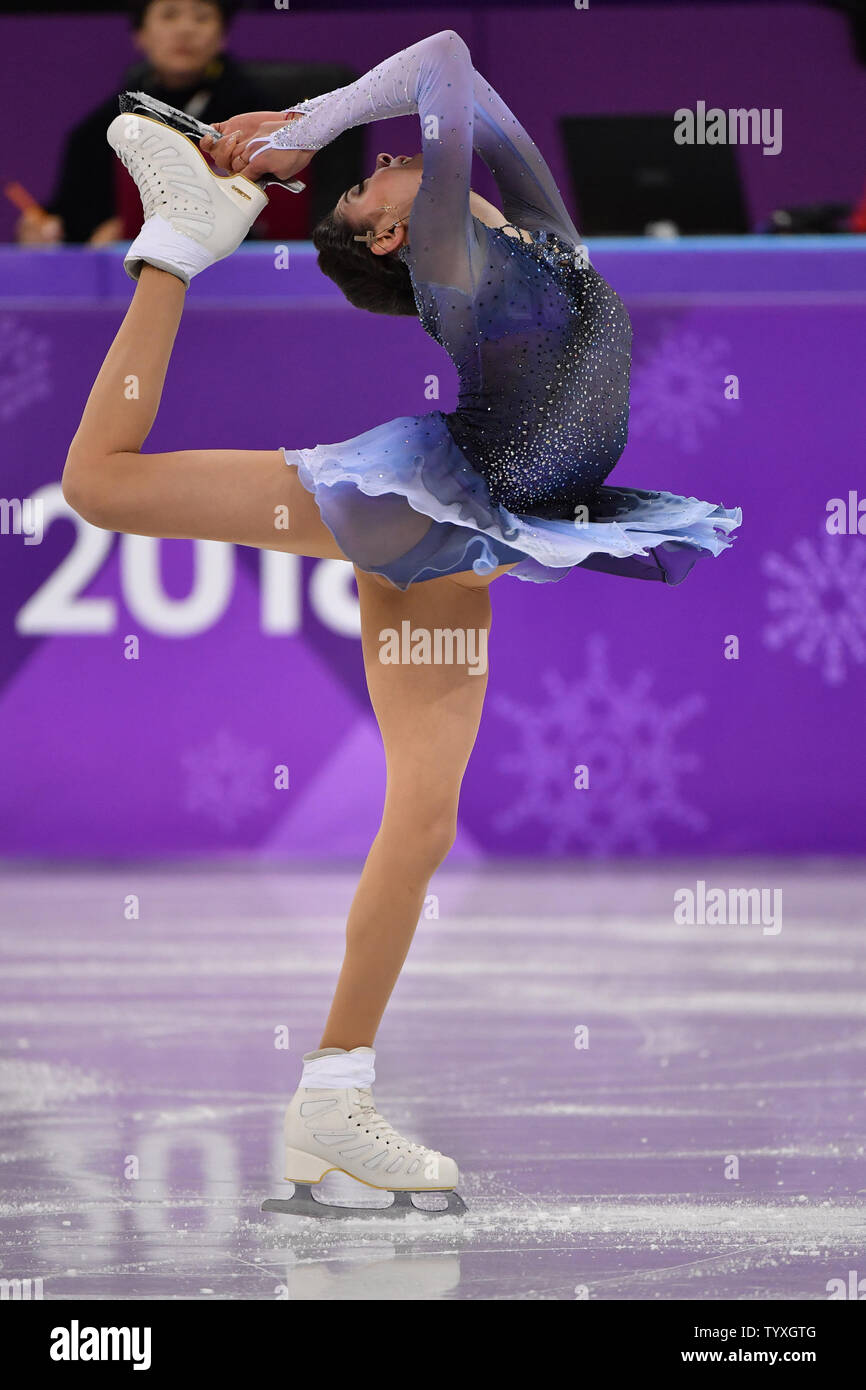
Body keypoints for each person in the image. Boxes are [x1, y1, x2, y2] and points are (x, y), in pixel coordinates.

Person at [62, 31, 740, 1216]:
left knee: (421, 822)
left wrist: (295, 129)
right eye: (370, 183)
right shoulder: (446, 257)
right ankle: (175, 244)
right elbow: (437, 70)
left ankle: (332, 1098)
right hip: (419, 507)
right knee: (103, 485)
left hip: (467, 541)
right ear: (390, 237)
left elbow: (453, 68)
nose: (379, 168)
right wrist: (306, 134)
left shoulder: (531, 230)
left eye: (371, 164)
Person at [17, 0, 267, 246]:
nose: (185, 29)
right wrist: (43, 229)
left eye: (202, 17)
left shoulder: (259, 120)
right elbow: (71, 218)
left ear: (222, 36)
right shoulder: (102, 128)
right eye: (169, 15)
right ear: (140, 34)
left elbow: (280, 217)